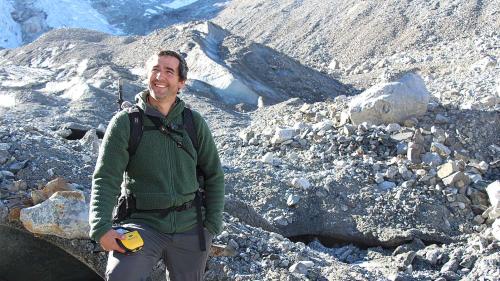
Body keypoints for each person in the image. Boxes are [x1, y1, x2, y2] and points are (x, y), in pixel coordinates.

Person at [89, 50, 225, 281]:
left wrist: (211, 226)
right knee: (121, 276)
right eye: (155, 69)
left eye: (169, 71)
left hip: (191, 228)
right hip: (141, 224)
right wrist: (100, 227)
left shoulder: (193, 123)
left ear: (181, 82)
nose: (160, 76)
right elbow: (106, 177)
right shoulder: (126, 123)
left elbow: (214, 174)